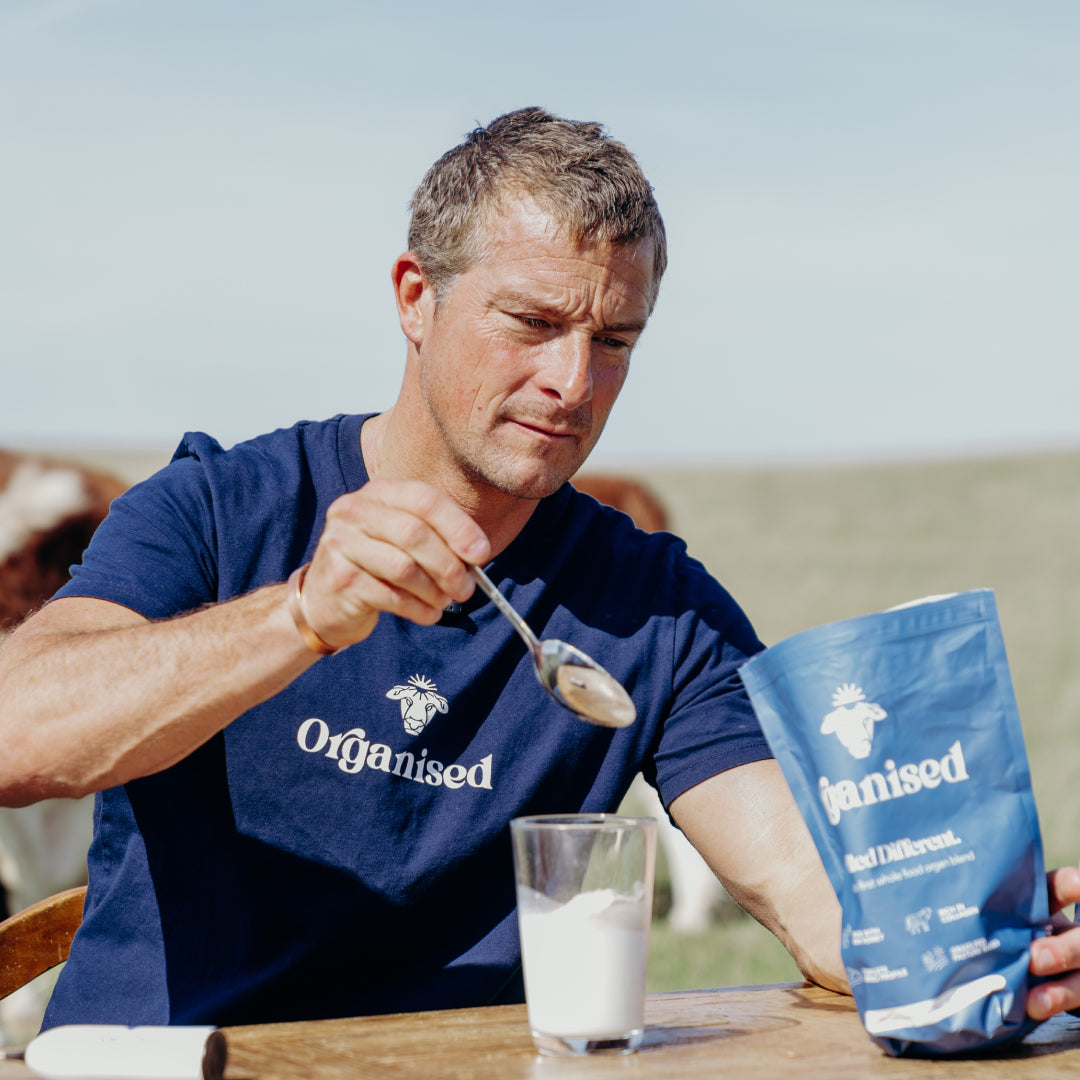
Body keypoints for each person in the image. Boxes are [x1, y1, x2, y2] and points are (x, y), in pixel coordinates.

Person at [1, 107, 1078, 1029]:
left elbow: (808, 887)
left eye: (615, 341)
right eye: (533, 321)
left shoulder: (655, 611)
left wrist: (990, 941)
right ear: (415, 297)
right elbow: (17, 737)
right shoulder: (222, 509)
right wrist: (298, 617)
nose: (573, 381)